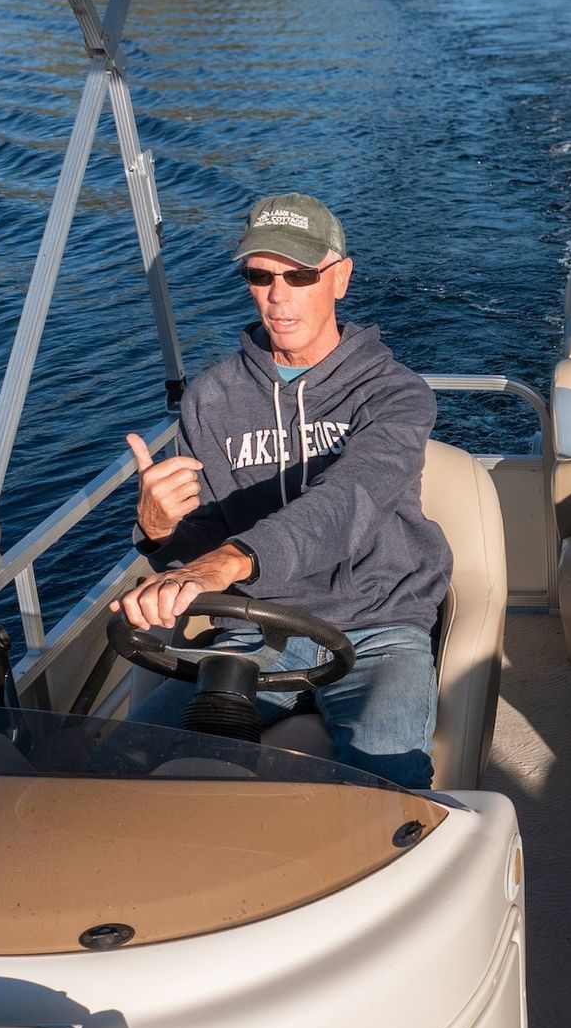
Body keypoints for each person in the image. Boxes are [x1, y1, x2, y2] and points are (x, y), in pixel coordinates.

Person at [117, 192, 452, 789]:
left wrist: (222, 563)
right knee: (128, 764)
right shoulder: (211, 398)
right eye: (260, 275)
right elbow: (198, 552)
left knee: (388, 790)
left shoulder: (396, 394)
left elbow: (349, 501)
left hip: (377, 624)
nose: (278, 294)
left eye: (299, 275)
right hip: (256, 624)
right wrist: (159, 530)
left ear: (340, 278)